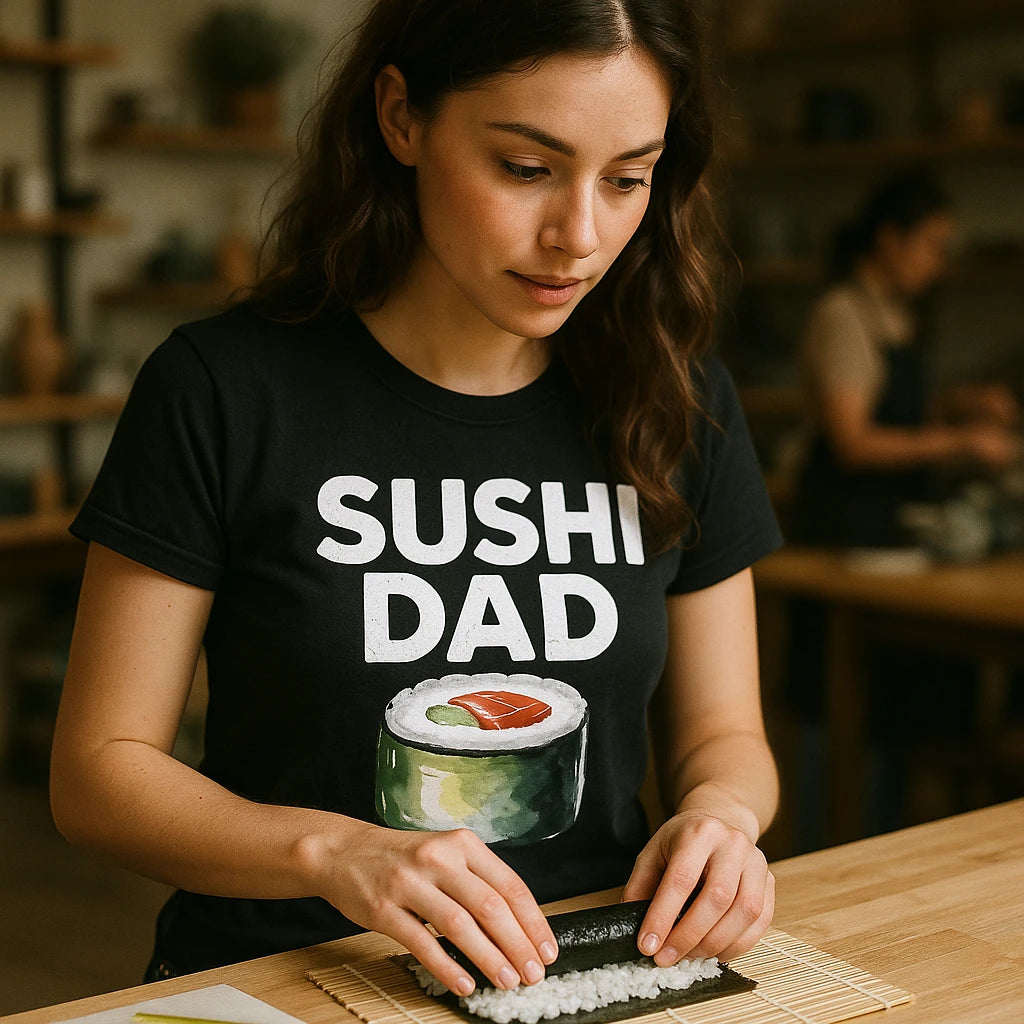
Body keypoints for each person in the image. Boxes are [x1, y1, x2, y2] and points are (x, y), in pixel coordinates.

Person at [49, 0, 782, 992]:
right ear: (401, 116)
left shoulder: (679, 399)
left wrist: (722, 818)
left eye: (626, 179)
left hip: (583, 972)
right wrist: (339, 853)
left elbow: (723, 735)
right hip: (283, 977)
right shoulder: (224, 388)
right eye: (525, 168)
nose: (579, 234)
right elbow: (99, 771)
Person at [792, 168, 1020, 548]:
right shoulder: (844, 314)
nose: (938, 263)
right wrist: (963, 441)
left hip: (892, 515)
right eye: (932, 245)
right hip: (845, 525)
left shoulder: (897, 316)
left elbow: (902, 412)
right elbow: (854, 441)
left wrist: (963, 404)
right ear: (890, 240)